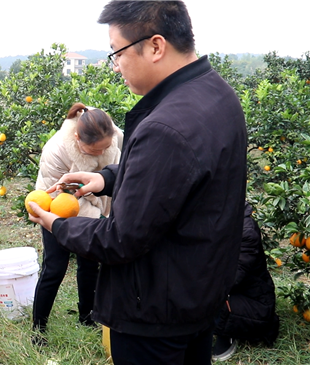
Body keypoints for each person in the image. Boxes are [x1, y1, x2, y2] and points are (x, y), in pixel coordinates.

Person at [27, 1, 247, 364]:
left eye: (117, 52)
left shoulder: (165, 126)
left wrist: (57, 225)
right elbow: (177, 184)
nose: (116, 66)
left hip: (155, 312)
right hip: (198, 292)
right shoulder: (218, 95)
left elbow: (120, 240)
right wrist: (104, 179)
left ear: (156, 46)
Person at [32, 103, 123, 336]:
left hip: (98, 208)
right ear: (77, 138)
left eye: (106, 149)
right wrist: (101, 223)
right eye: (94, 151)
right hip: (56, 208)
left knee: (90, 264)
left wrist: (106, 216)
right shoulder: (56, 150)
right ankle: (38, 327)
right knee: (55, 267)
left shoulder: (113, 136)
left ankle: (87, 316)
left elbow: (119, 176)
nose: (102, 154)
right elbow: (57, 194)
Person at [211, 202, 280, 361]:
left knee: (206, 295)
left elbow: (233, 277)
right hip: (236, 293)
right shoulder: (218, 220)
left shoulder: (245, 231)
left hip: (254, 303)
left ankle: (228, 334)